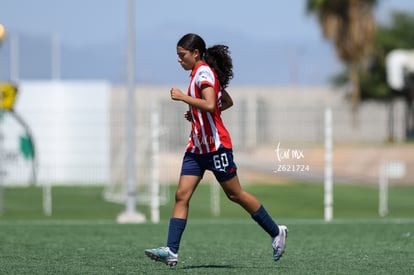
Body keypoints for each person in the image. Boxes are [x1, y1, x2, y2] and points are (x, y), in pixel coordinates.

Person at [144, 33, 288, 267]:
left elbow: (211, 104)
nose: (179, 60)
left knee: (235, 195)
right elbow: (225, 101)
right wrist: (196, 113)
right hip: (196, 149)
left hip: (216, 147)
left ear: (195, 54)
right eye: (178, 56)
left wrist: (183, 98)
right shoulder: (198, 74)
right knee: (181, 195)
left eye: (182, 56)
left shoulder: (203, 73)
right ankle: (171, 250)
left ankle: (276, 231)